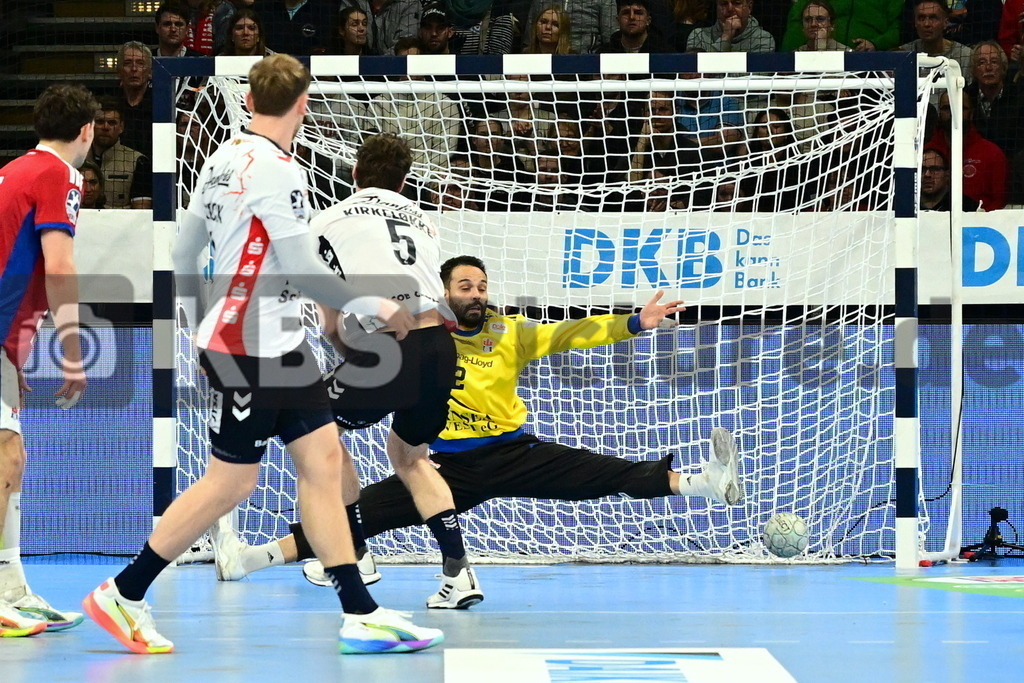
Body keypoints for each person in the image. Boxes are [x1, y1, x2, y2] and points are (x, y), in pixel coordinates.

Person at [81, 54, 442, 656]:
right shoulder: (279, 173)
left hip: (276, 340)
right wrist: (376, 303)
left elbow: (185, 249)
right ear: (303, 107)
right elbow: (303, 271)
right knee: (233, 481)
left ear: (249, 101)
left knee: (324, 461)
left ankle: (360, 611)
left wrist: (199, 325)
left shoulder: (222, 157)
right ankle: (125, 591)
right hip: (251, 344)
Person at [215, 255, 746, 597]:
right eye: (464, 285)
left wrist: (635, 322)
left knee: (605, 474)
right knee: (360, 516)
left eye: (482, 286)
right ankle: (250, 559)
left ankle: (704, 482)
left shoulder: (508, 331)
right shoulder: (419, 341)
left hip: (516, 451)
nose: (476, 293)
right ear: (442, 292)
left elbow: (570, 333)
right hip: (447, 469)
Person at [215, 133, 483, 609]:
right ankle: (459, 573)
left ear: (355, 173)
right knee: (411, 457)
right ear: (404, 181)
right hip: (440, 345)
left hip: (390, 347)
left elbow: (328, 312)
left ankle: (355, 550)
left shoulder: (329, 219)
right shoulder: (422, 219)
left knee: (318, 431)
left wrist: (342, 344)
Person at [0, 83, 97, 637]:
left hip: (5, 342)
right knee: (7, 459)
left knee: (11, 461)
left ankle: (13, 589)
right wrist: (74, 351)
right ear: (87, 131)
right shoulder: (60, 174)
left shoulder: (17, 168)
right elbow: (59, 267)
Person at [88, 98, 152, 210]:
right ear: (90, 125)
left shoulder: (138, 161)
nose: (105, 127)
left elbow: (142, 212)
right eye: (100, 122)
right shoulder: (75, 159)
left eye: (112, 122)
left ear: (121, 127)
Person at [899, 0, 972, 83]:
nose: (927, 24)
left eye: (933, 18)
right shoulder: (903, 55)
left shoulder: (966, 56)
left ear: (946, 22)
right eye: (921, 18)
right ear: (915, 23)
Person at [686, 0, 775, 52]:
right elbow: (697, 76)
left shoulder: (763, 39)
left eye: (736, 3)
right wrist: (725, 37)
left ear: (749, 7)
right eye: (724, 3)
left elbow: (754, 78)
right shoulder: (699, 35)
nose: (730, 9)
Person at [115, 41, 154, 158]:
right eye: (127, 63)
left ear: (150, 72)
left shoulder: (161, 105)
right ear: (119, 71)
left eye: (140, 63)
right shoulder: (110, 105)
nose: (134, 68)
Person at [596, 0, 672, 53]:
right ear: (618, 20)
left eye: (638, 13)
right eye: (626, 13)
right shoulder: (604, 54)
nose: (631, 17)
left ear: (648, 20)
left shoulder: (665, 53)